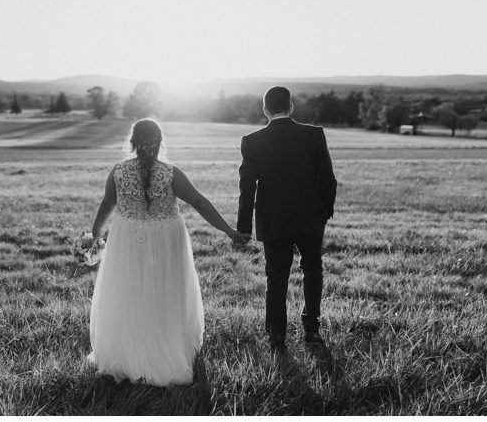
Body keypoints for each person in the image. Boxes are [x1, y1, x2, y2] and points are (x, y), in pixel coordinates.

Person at [87, 119, 249, 386]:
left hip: (128, 238)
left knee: (128, 293)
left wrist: (95, 235)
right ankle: (166, 350)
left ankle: (127, 353)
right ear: (160, 141)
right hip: (166, 238)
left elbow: (107, 204)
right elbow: (198, 202)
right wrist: (229, 230)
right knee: (166, 293)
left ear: (133, 141)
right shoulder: (172, 173)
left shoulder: (118, 171)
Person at [238, 86, 338, 351]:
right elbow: (327, 179)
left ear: (265, 109)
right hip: (310, 217)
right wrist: (324, 211)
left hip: (273, 218)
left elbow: (247, 187)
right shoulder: (314, 135)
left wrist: (243, 227)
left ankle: (277, 335)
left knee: (277, 277)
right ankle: (312, 329)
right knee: (313, 268)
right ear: (291, 107)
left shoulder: (252, 140)